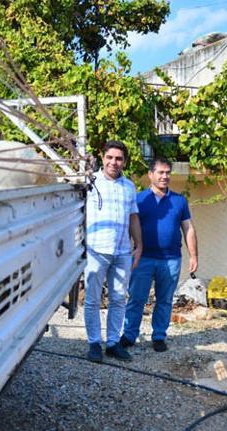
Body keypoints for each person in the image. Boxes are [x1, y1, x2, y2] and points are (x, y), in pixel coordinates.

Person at [120, 158, 198, 353]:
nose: (165, 176)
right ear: (150, 175)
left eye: (167, 173)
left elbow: (188, 228)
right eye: (161, 172)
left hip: (171, 259)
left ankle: (159, 336)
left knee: (164, 300)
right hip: (143, 258)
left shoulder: (179, 201)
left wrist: (193, 255)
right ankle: (129, 335)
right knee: (137, 298)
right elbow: (128, 225)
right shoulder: (139, 199)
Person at [84, 141, 142, 363]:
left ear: (124, 162)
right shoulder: (91, 182)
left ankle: (112, 343)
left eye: (118, 159)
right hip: (96, 250)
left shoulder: (129, 186)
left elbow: (133, 217)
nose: (113, 162)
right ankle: (94, 344)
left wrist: (139, 245)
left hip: (122, 252)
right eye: (110, 157)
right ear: (102, 158)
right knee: (92, 299)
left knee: (118, 298)